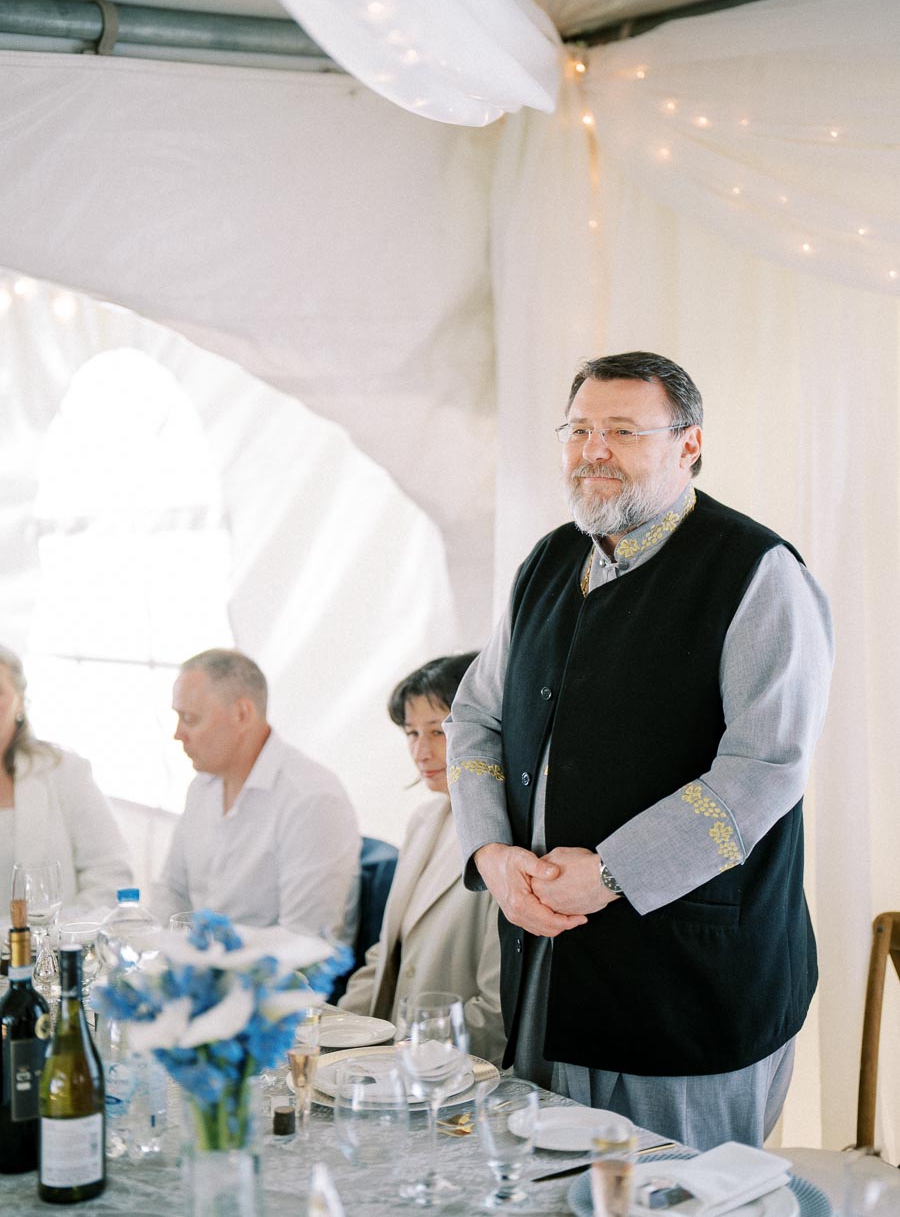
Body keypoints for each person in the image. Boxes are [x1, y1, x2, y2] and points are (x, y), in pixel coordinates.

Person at [446, 351, 833, 1150]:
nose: (594, 451)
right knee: (547, 1190)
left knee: (671, 1196)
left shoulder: (756, 572)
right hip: (547, 971)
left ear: (689, 444)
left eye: (622, 431)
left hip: (691, 984)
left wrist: (612, 871)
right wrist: (489, 853)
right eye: (579, 430)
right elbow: (475, 717)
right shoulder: (546, 562)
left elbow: (765, 767)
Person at [339, 654, 505, 1065]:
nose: (421, 751)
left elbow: (497, 1010)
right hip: (392, 1060)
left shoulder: (506, 840)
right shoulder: (424, 820)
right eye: (412, 732)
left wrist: (401, 1062)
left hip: (455, 1071)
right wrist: (336, 1032)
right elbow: (386, 954)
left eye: (438, 731)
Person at [154, 648, 360, 948]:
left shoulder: (311, 799)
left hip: (271, 975)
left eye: (190, 719)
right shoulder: (201, 787)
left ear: (242, 714)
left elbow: (304, 941)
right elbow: (171, 891)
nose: (177, 734)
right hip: (199, 967)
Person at [0, 644, 132, 916]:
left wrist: (56, 932)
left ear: (20, 702)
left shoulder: (64, 771)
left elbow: (110, 873)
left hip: (54, 939)